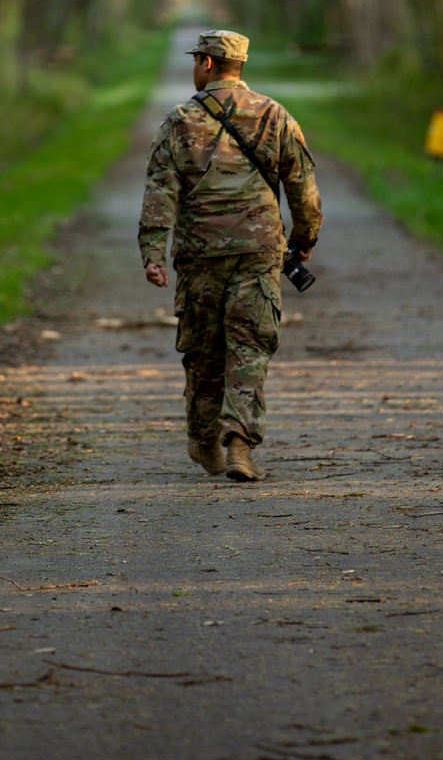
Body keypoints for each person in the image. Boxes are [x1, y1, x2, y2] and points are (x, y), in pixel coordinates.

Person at [138, 30, 323, 482]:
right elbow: (303, 187)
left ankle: (204, 441)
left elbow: (160, 190)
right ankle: (240, 443)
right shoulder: (274, 115)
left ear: (205, 63)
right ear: (239, 65)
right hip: (259, 252)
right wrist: (305, 237)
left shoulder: (179, 120)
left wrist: (153, 253)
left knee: (204, 350)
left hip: (200, 254)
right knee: (250, 346)